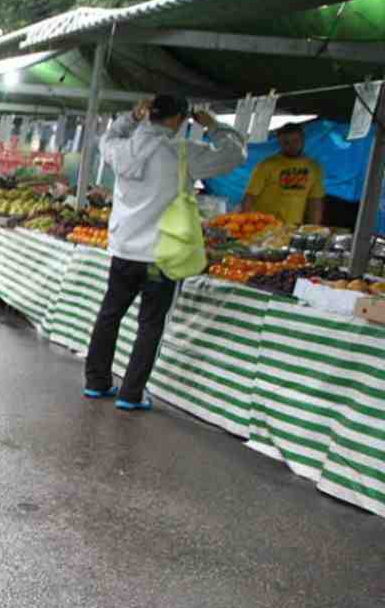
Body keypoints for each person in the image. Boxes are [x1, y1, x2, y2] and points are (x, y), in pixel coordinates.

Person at [85, 94, 246, 411]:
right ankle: (131, 394)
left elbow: (106, 137)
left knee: (110, 315)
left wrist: (131, 118)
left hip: (124, 250)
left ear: (149, 115)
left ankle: (96, 382)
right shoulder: (183, 151)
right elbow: (235, 154)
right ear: (177, 119)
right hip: (162, 256)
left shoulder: (121, 150)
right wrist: (214, 127)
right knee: (151, 324)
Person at [241, 124, 325, 226]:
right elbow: (249, 197)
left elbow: (315, 202)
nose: (291, 146)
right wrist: (245, 224)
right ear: (279, 143)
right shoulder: (266, 165)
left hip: (292, 229)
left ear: (303, 140)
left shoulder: (313, 167)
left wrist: (313, 229)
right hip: (264, 228)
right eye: (286, 142)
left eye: (296, 141)